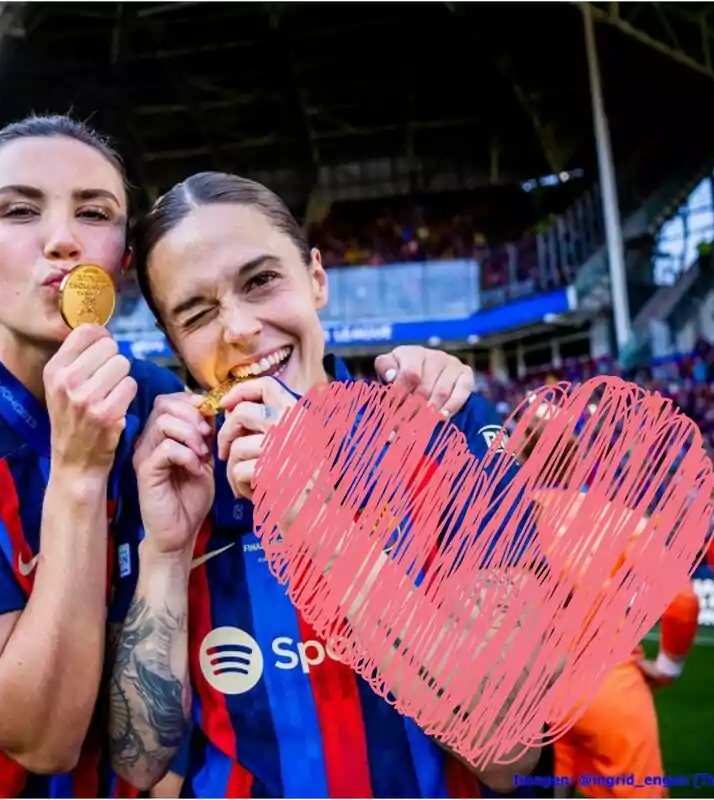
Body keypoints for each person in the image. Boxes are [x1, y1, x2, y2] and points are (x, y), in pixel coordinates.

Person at [0, 115, 472, 798]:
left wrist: (418, 381)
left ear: (119, 264)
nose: (62, 238)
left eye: (95, 212)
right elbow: (46, 739)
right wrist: (82, 475)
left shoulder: (168, 409)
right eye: (21, 210)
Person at [108, 172, 546, 798]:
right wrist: (165, 555)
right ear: (173, 343)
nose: (237, 328)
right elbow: (140, 763)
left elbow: (508, 749)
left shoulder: (448, 430)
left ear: (316, 278)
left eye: (261, 280)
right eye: (197, 313)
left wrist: (316, 513)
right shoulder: (172, 476)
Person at [552, 585, 700, 799]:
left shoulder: (531, 551)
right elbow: (683, 598)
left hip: (547, 684)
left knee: (560, 772)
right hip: (609, 684)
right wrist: (668, 668)